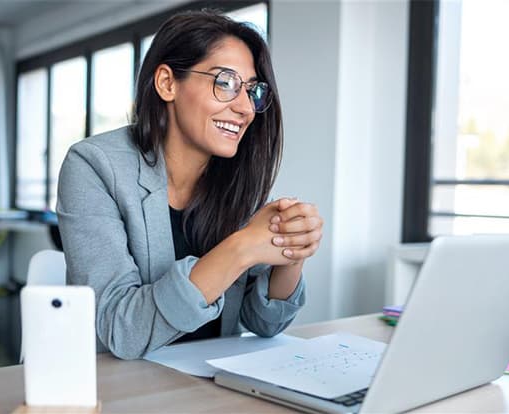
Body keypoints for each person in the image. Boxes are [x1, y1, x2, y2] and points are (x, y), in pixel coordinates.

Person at [56, 10, 323, 360]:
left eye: (252, 90)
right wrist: (241, 248)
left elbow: (263, 323)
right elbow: (120, 331)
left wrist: (291, 250)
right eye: (225, 82)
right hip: (117, 389)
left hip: (204, 388)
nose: (245, 108)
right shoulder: (93, 165)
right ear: (167, 83)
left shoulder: (237, 179)